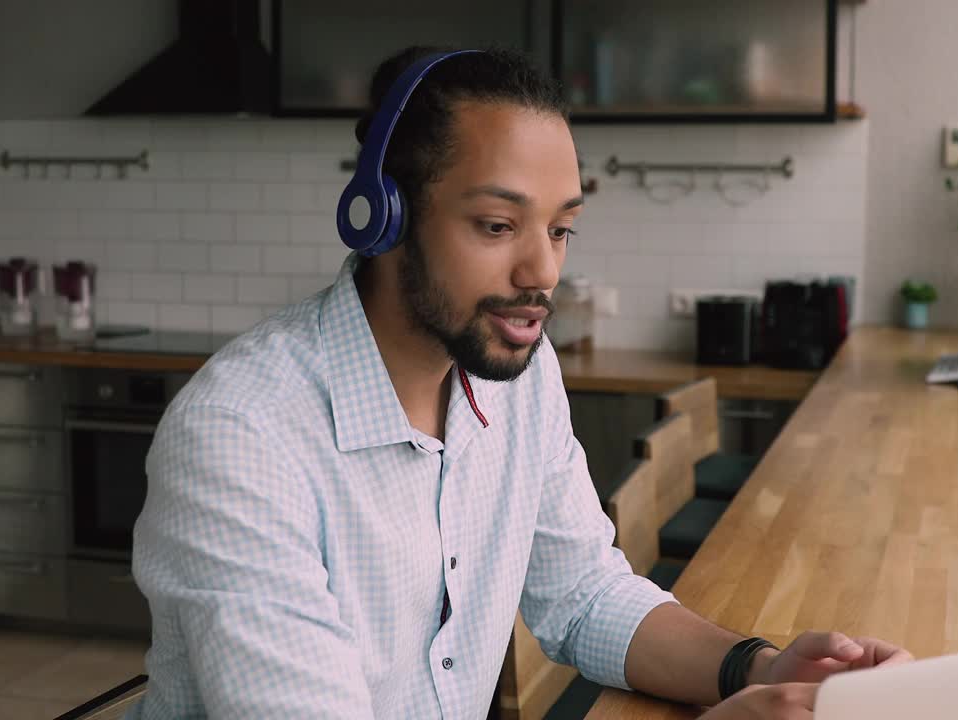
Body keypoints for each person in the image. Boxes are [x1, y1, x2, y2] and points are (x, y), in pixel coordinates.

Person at [126, 46, 913, 719]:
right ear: (383, 218)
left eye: (560, 228)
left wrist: (758, 667)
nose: (543, 272)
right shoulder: (241, 437)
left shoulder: (516, 379)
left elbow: (581, 593)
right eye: (498, 227)